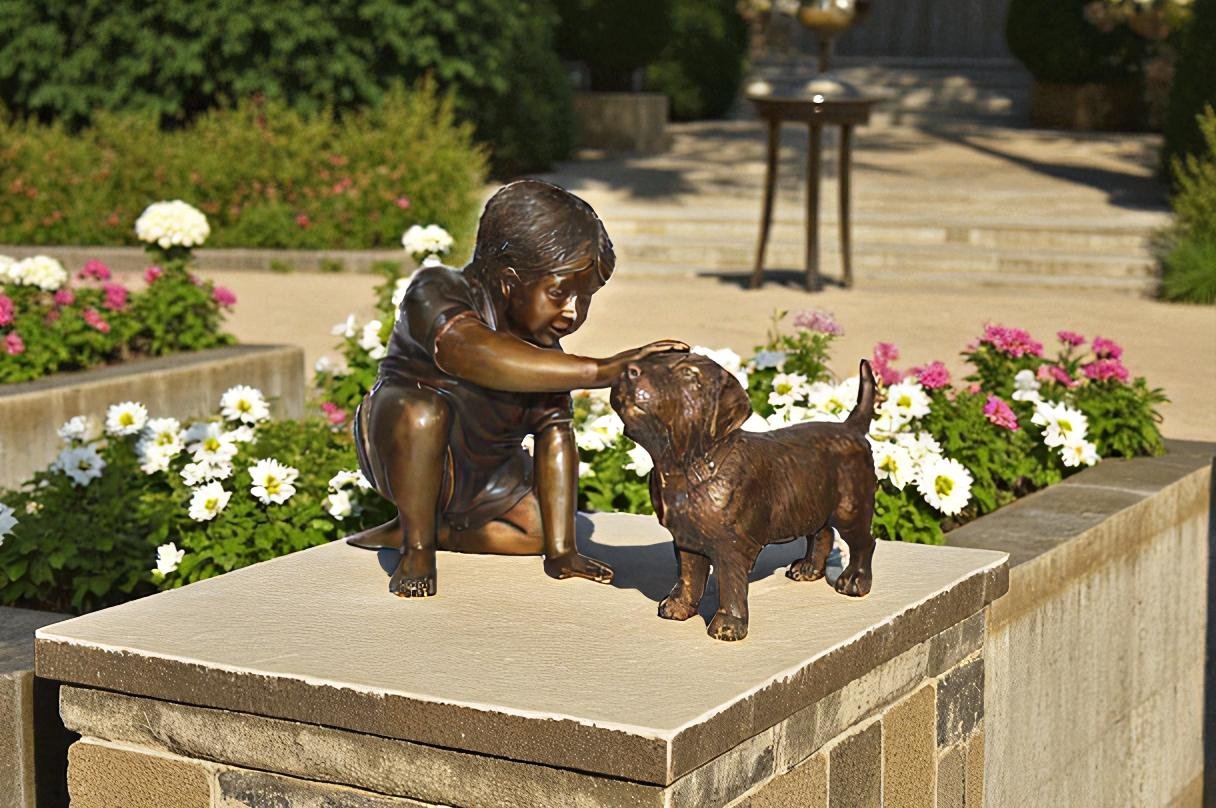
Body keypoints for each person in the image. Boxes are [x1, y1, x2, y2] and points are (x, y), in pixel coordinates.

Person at [347, 180, 687, 597]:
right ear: (509, 280)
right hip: (402, 444)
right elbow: (467, 350)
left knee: (539, 531)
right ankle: (416, 548)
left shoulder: (544, 353)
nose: (573, 312)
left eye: (586, 297)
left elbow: (556, 437)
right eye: (560, 292)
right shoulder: (438, 290)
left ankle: (437, 530)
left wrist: (563, 551)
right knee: (421, 411)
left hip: (488, 475)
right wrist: (600, 370)